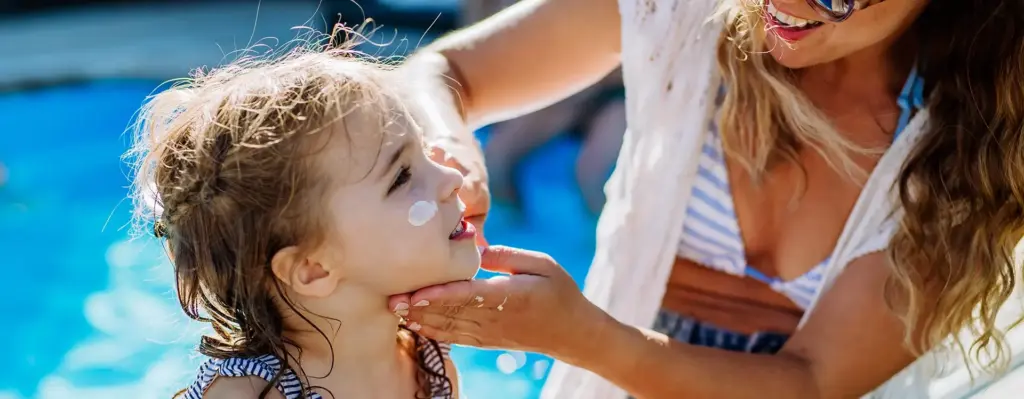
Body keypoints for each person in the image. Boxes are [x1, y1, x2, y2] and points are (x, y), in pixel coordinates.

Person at [390, 0, 1024, 398]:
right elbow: (439, 74)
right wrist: (450, 145)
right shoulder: (683, 13)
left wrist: (579, 335)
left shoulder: (977, 142)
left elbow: (813, 383)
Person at [126, 35, 479, 399]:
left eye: (424, 149)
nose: (451, 178)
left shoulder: (430, 368)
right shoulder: (248, 393)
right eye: (401, 177)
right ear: (313, 269)